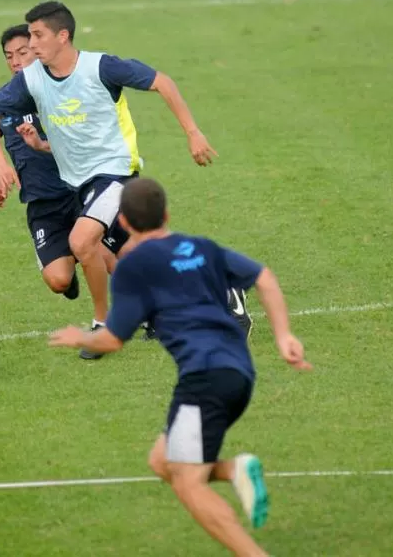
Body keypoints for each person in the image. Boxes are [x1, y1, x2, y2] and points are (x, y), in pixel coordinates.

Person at [49, 177, 311, 557]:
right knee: (161, 460)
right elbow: (264, 278)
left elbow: (112, 341)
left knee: (188, 484)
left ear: (122, 223)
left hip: (204, 380)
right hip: (239, 371)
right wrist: (284, 335)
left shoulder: (132, 268)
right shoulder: (199, 246)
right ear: (167, 214)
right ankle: (235, 470)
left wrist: (81, 338)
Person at [0, 1, 221, 358]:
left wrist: (193, 132)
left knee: (85, 242)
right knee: (97, 258)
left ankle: (104, 326)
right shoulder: (32, 81)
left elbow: (163, 82)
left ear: (62, 36)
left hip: (116, 172)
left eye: (36, 36)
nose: (30, 47)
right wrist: (8, 159)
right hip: (79, 183)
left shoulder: (102, 66)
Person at [0, 24, 117, 320]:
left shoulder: (56, 90)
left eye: (22, 53)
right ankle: (70, 263)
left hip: (79, 192)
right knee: (58, 280)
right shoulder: (5, 99)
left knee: (109, 256)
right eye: (9, 56)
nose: (15, 61)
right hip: (42, 203)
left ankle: (139, 314)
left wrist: (44, 143)